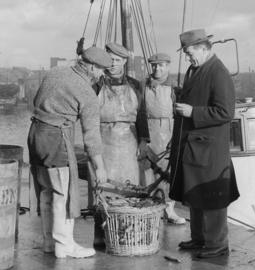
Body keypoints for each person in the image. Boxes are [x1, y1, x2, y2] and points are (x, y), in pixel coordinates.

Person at [27, 46, 110, 259]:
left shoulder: (54, 73)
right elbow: (91, 137)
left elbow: (36, 102)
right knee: (63, 194)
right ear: (92, 66)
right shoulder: (86, 92)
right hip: (56, 138)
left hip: (35, 134)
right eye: (101, 70)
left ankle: (49, 242)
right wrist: (99, 167)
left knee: (46, 189)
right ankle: (65, 246)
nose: (102, 75)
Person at [169, 29, 239, 258]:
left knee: (212, 195)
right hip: (196, 146)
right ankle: (199, 239)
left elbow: (226, 112)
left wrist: (192, 112)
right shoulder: (196, 69)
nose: (188, 58)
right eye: (187, 55)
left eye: (190, 53)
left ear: (204, 48)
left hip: (210, 149)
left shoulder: (218, 73)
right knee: (195, 193)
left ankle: (217, 244)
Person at [90, 42, 150, 249]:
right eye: (110, 60)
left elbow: (141, 116)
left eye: (117, 60)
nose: (113, 64)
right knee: (103, 187)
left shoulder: (135, 85)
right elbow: (88, 120)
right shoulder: (96, 85)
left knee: (130, 187)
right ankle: (100, 236)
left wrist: (143, 141)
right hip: (104, 140)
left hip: (129, 142)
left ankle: (128, 233)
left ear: (124, 61)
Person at [140, 53, 185, 225]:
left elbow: (180, 115)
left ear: (168, 67)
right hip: (148, 133)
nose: (157, 69)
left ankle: (169, 210)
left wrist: (176, 137)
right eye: (154, 65)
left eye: (161, 65)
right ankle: (150, 210)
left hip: (168, 134)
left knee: (168, 174)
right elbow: (139, 112)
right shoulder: (143, 86)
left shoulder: (175, 88)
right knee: (147, 173)